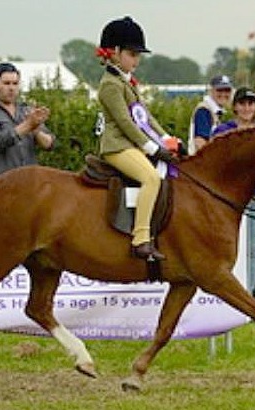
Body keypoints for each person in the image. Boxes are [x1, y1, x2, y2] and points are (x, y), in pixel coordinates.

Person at [95, 16, 178, 261]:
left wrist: (167, 138)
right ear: (115, 52)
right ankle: (141, 239)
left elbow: (145, 117)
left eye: (138, 55)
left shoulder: (127, 82)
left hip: (132, 145)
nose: (137, 60)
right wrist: (152, 148)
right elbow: (125, 123)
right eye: (132, 54)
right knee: (151, 178)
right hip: (117, 147)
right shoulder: (110, 84)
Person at [212, 87, 255, 294]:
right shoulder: (222, 131)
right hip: (229, 200)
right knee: (226, 249)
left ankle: (248, 295)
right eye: (242, 103)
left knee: (253, 250)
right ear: (235, 106)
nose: (246, 108)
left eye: (250, 103)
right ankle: (228, 297)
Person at [0, 62, 56, 177]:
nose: (11, 88)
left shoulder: (26, 110)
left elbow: (49, 144)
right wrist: (27, 125)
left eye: (15, 83)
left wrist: (36, 128)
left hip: (30, 183)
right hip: (2, 184)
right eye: (6, 83)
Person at [187, 75, 233, 154]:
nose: (223, 94)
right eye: (219, 90)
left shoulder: (217, 112)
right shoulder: (204, 110)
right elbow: (200, 143)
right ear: (211, 90)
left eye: (227, 90)